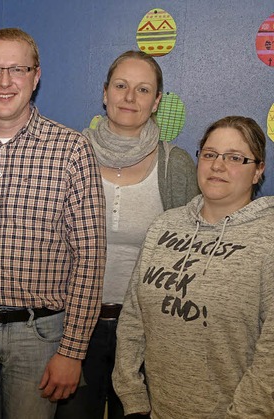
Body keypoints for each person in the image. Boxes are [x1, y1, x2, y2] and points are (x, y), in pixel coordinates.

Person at [0, 28, 107, 419]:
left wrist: (72, 350)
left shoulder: (72, 150)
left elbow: (90, 258)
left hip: (41, 336)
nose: (5, 81)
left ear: (36, 75)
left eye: (17, 68)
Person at [56, 50, 199, 419]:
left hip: (146, 333)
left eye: (142, 89)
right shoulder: (68, 155)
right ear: (105, 93)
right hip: (72, 328)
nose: (129, 97)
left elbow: (193, 256)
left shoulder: (175, 165)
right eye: (121, 86)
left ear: (157, 102)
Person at [113, 116, 274, 418]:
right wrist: (133, 399)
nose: (217, 165)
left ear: (258, 171)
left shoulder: (269, 239)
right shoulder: (164, 225)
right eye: (210, 154)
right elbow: (134, 317)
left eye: (235, 158)